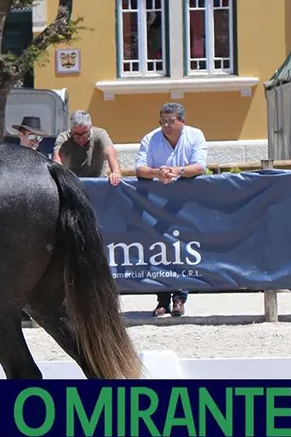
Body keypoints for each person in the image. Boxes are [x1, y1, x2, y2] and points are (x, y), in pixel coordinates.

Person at [135, 102, 208, 318]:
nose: (165, 125)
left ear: (182, 121)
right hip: (156, 202)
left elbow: (199, 166)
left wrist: (176, 171)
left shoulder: (195, 135)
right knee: (158, 249)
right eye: (163, 121)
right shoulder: (151, 138)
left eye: (170, 121)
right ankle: (162, 299)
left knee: (182, 248)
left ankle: (179, 298)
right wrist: (158, 173)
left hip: (186, 201)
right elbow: (140, 168)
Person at [54, 110, 123, 186]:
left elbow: (110, 152)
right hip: (73, 184)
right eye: (76, 135)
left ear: (91, 127)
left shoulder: (100, 134)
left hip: (98, 183)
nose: (81, 139)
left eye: (85, 134)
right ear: (71, 129)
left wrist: (115, 172)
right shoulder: (63, 138)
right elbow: (57, 160)